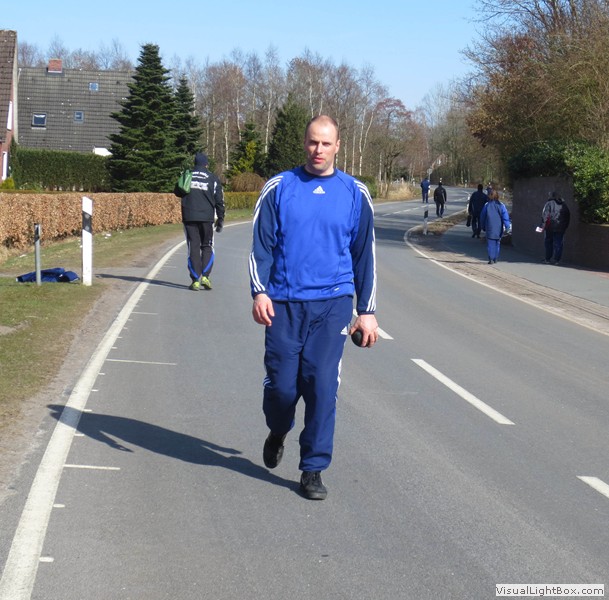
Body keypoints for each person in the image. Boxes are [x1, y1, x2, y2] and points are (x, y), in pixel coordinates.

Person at [249, 115, 378, 501]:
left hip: (333, 304)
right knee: (283, 389)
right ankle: (278, 430)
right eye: (312, 142)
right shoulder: (280, 187)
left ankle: (313, 468)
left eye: (325, 143)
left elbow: (365, 255)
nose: (317, 150)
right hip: (284, 304)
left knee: (322, 385)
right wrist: (260, 292)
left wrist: (367, 310)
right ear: (304, 144)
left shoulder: (354, 193)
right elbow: (261, 245)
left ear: (338, 146)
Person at [174, 152, 225, 290]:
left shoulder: (187, 175)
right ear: (206, 164)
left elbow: (177, 191)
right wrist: (220, 218)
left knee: (193, 247)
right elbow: (219, 201)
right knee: (207, 246)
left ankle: (195, 280)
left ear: (195, 163)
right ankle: (205, 277)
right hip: (207, 218)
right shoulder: (213, 178)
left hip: (189, 217)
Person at [480, 189, 511, 263]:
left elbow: (482, 217)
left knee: (490, 243)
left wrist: (482, 226)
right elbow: (505, 217)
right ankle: (495, 258)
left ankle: (491, 258)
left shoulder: (487, 205)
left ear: (489, 196)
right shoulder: (501, 205)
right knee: (497, 242)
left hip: (490, 227)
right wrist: (507, 226)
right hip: (499, 227)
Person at [540, 191, 571, 265]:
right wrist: (565, 226)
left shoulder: (549, 203)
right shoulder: (564, 205)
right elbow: (568, 216)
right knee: (559, 243)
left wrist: (542, 226)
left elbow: (545, 215)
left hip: (550, 226)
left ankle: (548, 259)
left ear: (552, 196)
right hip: (561, 227)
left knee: (548, 242)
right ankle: (557, 260)